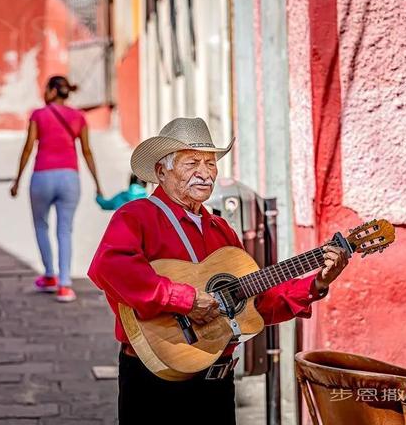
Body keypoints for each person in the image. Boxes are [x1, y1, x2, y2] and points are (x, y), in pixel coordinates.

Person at [88, 117, 349, 424]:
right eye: (192, 163)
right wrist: (184, 299)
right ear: (161, 171)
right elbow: (110, 267)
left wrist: (317, 282)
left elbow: (256, 303)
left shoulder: (221, 230)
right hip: (155, 380)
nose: (205, 173)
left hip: (217, 384)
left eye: (211, 163)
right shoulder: (136, 216)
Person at [10, 76, 102, 303]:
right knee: (65, 230)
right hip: (70, 178)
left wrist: (17, 180)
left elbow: (28, 148)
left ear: (52, 91)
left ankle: (50, 274)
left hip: (42, 177)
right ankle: (65, 285)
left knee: (41, 225)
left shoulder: (38, 115)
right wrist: (98, 184)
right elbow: (87, 151)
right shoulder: (79, 117)